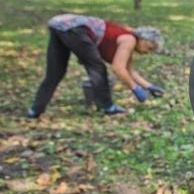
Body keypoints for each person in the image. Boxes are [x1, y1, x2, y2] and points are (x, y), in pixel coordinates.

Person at [27, 14, 165, 118]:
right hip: (75, 29)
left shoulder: (127, 39)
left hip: (59, 26)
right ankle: (108, 107)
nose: (148, 52)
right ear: (144, 39)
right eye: (150, 47)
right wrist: (135, 89)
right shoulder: (129, 40)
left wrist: (149, 86)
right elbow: (118, 68)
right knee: (97, 68)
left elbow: (129, 70)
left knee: (55, 73)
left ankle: (35, 110)